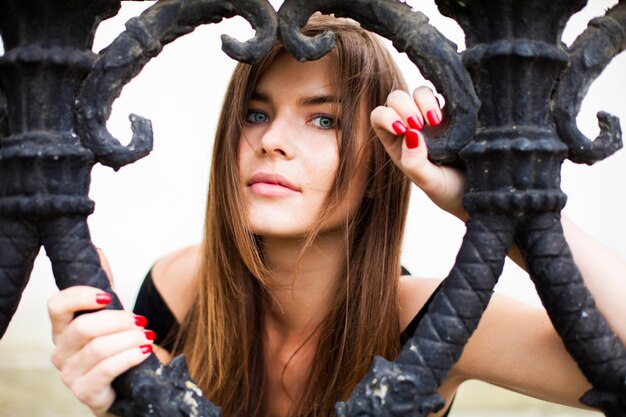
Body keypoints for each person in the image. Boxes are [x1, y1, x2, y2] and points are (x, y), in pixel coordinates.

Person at [47, 14, 626, 417]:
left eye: (323, 119)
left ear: (382, 156)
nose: (272, 140)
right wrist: (118, 396)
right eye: (255, 113)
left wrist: (502, 202)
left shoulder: (433, 316)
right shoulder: (179, 287)